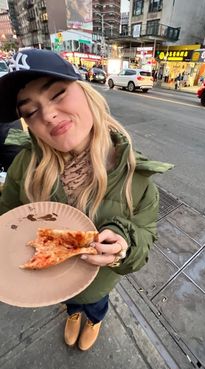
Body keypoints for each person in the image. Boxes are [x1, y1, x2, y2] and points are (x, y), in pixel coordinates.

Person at [0, 49, 173, 351]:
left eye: (57, 93)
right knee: (72, 306)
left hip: (99, 284)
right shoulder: (24, 166)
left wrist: (123, 244)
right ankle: (74, 313)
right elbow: (7, 223)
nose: (48, 115)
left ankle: (93, 319)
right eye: (30, 111)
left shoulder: (138, 178)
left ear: (86, 91)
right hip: (53, 282)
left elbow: (143, 239)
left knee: (95, 305)